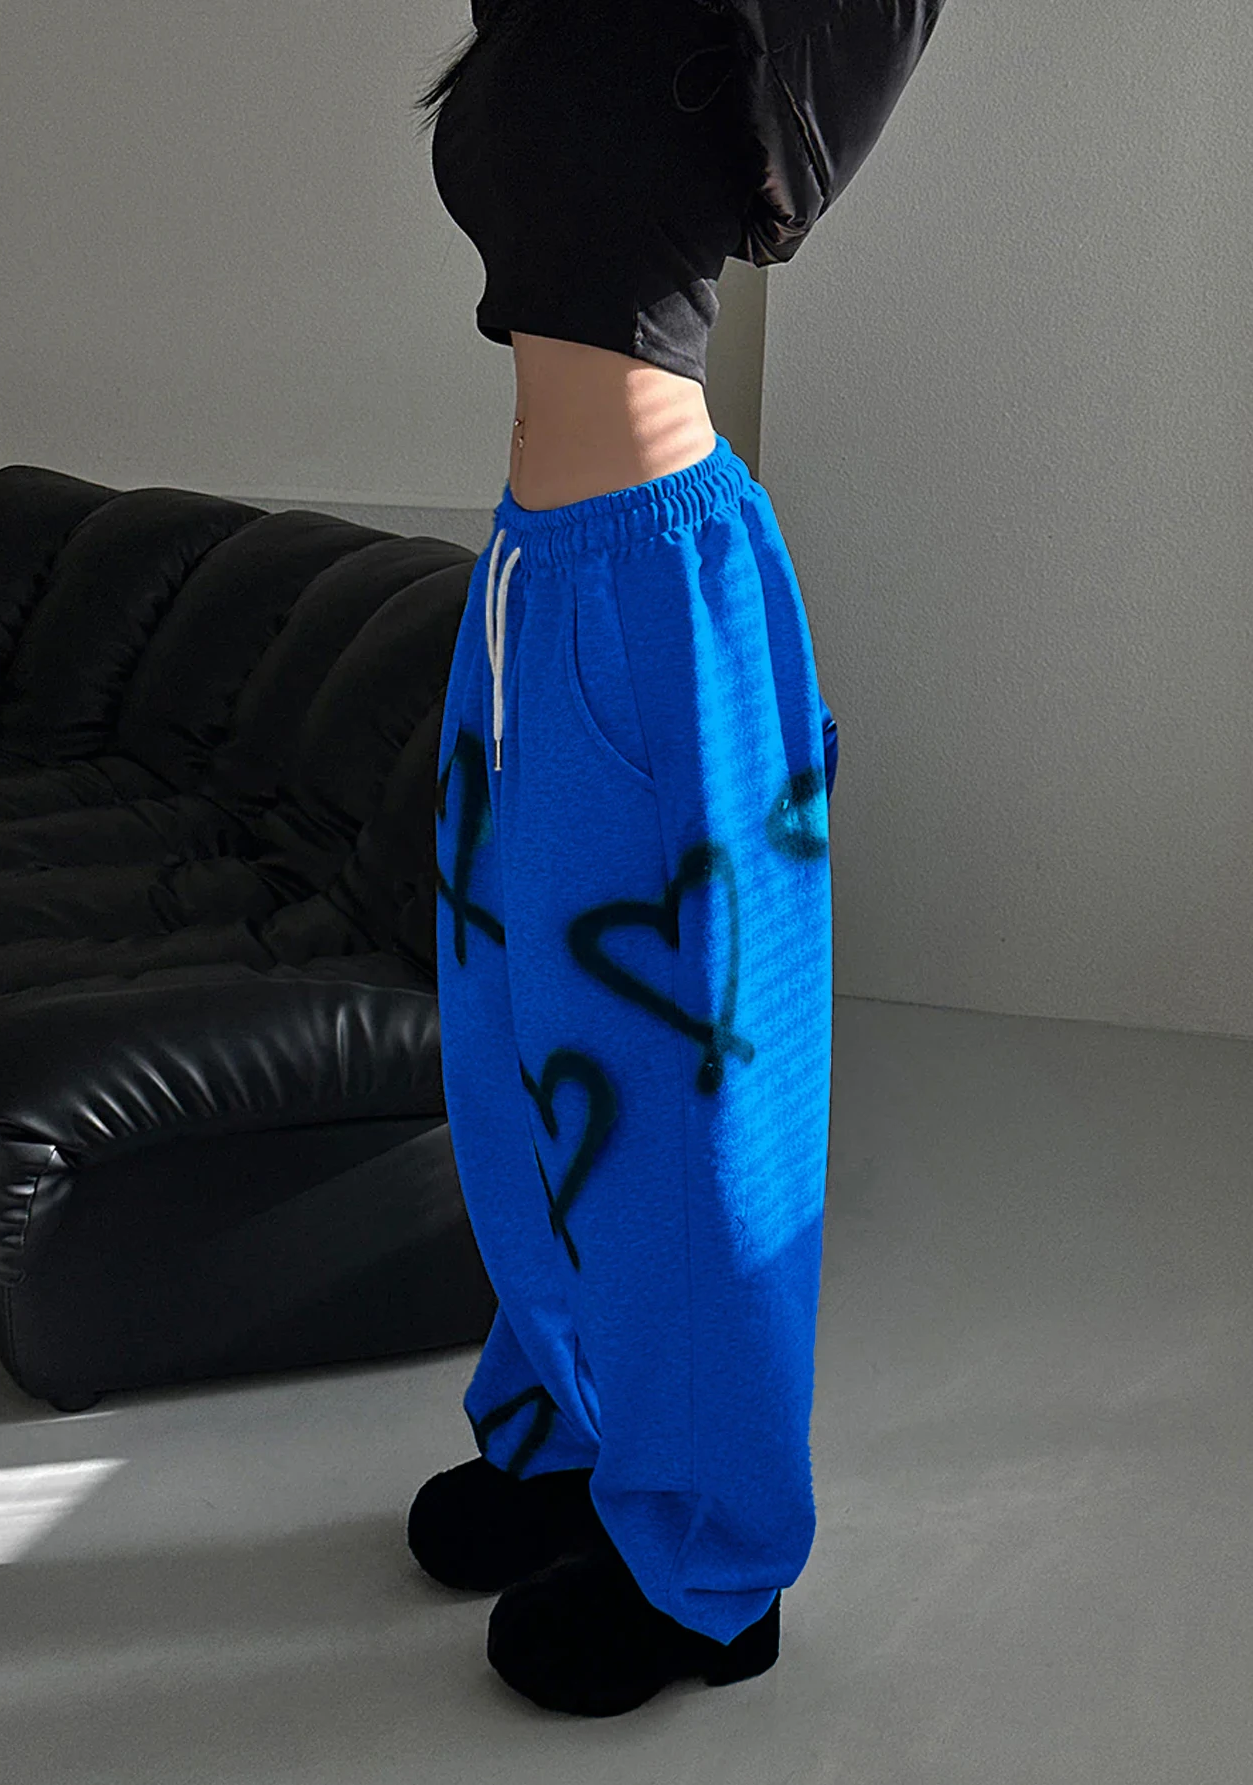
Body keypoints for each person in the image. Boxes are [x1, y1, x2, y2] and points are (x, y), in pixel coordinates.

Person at [403, 0, 945, 1718]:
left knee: (683, 1112)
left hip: (657, 590)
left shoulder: (763, 32)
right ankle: (569, 1437)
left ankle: (712, 1569)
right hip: (526, 578)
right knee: (511, 1061)